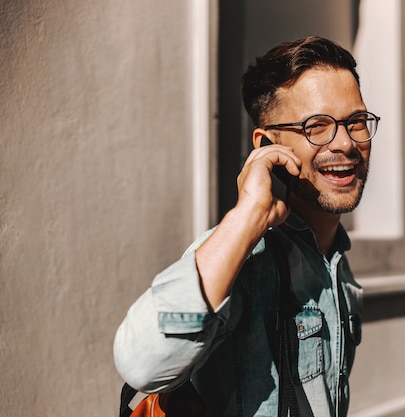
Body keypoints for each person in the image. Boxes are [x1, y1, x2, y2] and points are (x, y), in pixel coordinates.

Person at [114, 36, 380, 417]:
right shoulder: (243, 257)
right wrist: (247, 215)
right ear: (268, 144)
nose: (346, 143)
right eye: (317, 126)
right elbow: (142, 365)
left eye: (356, 122)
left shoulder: (337, 259)